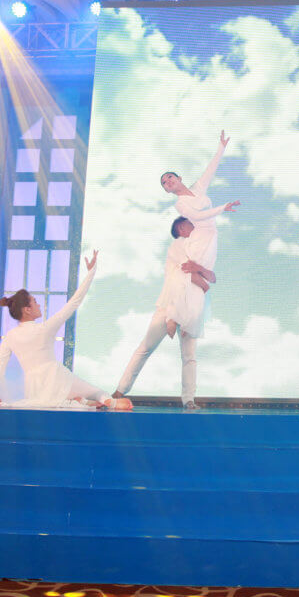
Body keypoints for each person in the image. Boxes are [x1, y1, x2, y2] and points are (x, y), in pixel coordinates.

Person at [0, 251, 131, 410]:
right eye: (35, 302)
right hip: (57, 379)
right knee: (98, 392)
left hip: (34, 389)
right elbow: (74, 302)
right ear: (27, 310)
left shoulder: (10, 336)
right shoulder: (43, 329)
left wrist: (4, 395)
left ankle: (77, 401)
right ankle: (110, 402)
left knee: (58, 399)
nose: (38, 305)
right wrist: (91, 272)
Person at [113, 218, 214, 408]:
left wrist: (201, 272)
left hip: (190, 311)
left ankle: (189, 399)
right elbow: (190, 276)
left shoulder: (198, 250)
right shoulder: (178, 245)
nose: (194, 227)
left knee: (189, 356)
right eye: (190, 224)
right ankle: (120, 391)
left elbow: (211, 277)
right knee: (146, 348)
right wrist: (203, 281)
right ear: (181, 228)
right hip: (168, 307)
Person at [159, 130, 240, 336]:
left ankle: (187, 320)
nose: (168, 181)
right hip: (199, 236)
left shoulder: (198, 188)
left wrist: (221, 148)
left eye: (170, 177)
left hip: (212, 237)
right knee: (187, 273)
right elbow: (199, 216)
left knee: (199, 278)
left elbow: (210, 170)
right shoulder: (180, 204)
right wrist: (222, 208)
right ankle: (172, 316)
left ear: (179, 178)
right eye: (164, 183)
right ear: (167, 191)